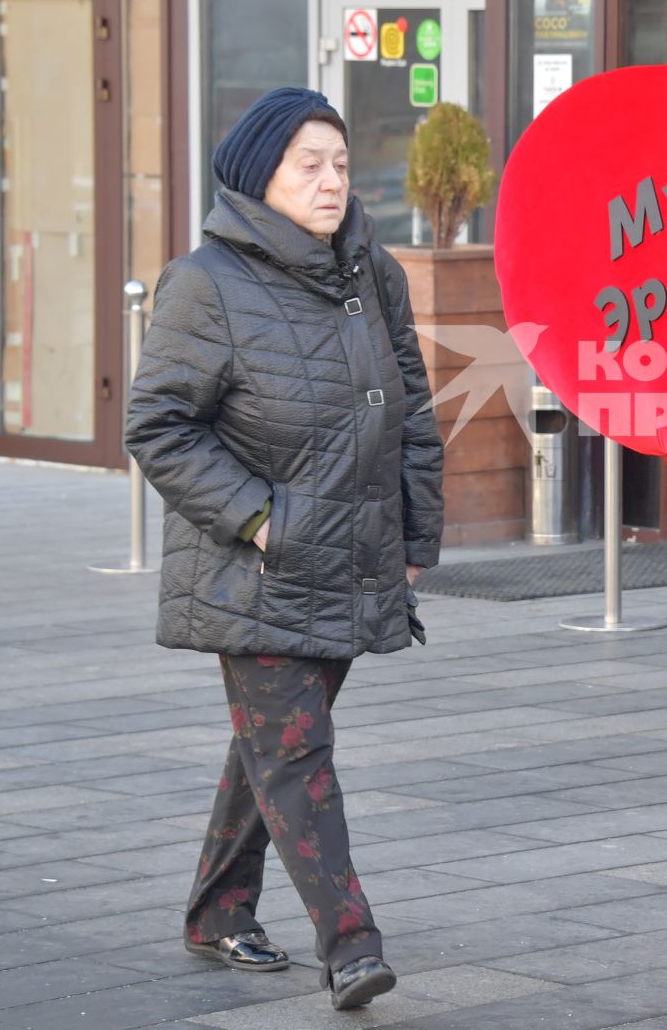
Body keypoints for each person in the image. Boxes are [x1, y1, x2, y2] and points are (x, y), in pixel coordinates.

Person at [126, 88, 443, 1011]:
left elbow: (413, 412)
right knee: (296, 751)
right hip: (256, 563)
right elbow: (159, 425)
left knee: (270, 746)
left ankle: (219, 910)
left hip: (354, 555)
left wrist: (416, 533)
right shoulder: (206, 283)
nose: (332, 181)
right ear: (259, 175)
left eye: (340, 163)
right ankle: (352, 944)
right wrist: (264, 521)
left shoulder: (371, 274)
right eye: (309, 163)